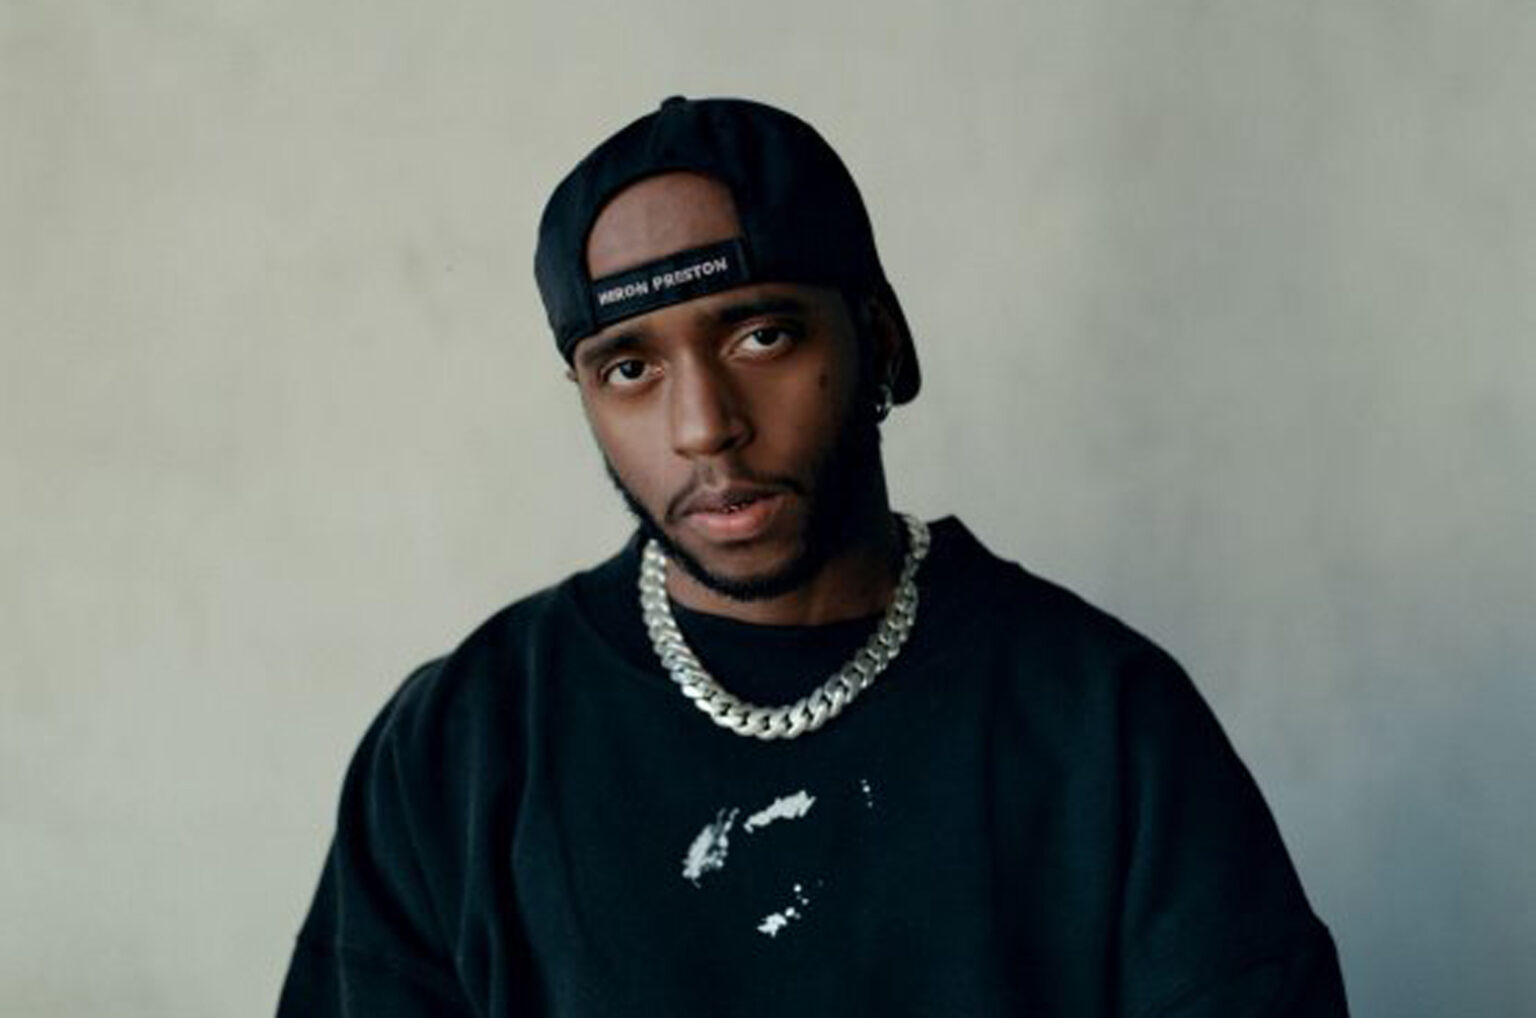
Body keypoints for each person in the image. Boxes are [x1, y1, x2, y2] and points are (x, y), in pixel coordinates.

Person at [277, 96, 1349, 1016]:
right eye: (631, 368)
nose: (705, 425)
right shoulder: (462, 745)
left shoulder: (1104, 723)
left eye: (762, 335)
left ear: (879, 337)